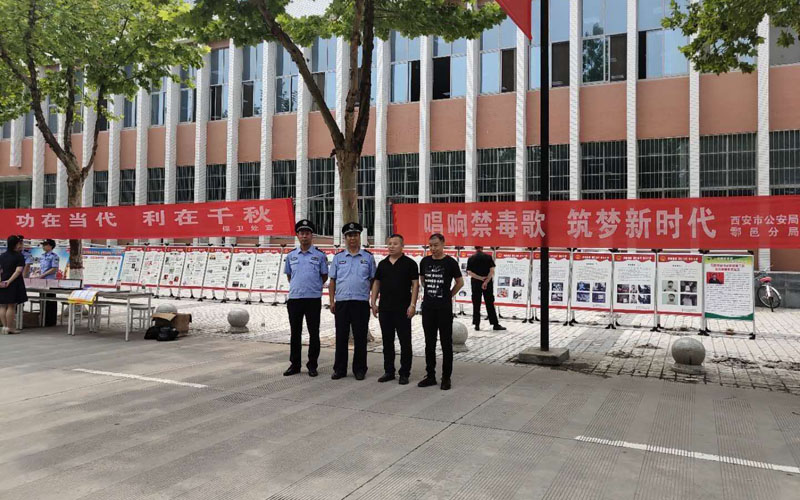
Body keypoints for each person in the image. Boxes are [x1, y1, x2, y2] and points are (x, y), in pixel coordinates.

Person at [329, 222, 376, 380]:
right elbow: (332, 281)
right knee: (341, 336)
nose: (352, 238)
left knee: (360, 337)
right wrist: (332, 301)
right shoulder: (338, 258)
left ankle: (360, 369)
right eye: (349, 235)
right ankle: (340, 369)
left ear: (359, 236)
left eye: (355, 235)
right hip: (342, 302)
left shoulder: (368, 257)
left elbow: (373, 280)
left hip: (360, 303)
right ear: (345, 238)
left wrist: (369, 298)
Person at [370, 234, 419, 385]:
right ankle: (389, 371)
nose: (391, 246)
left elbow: (415, 284)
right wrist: (373, 302)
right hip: (385, 309)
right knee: (387, 341)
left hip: (403, 309)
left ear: (402, 246)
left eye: (395, 244)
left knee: (405, 342)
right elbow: (377, 283)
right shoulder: (383, 264)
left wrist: (412, 305)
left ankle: (404, 372)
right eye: (389, 243)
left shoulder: (410, 263)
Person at [283, 219, 329, 377]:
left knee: (314, 333)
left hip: (313, 299)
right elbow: (290, 276)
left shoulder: (320, 256)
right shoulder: (291, 256)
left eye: (307, 233)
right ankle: (295, 364)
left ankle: (312, 365)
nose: (304, 236)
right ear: (297, 235)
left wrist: (313, 286)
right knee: (295, 333)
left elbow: (324, 276)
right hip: (295, 299)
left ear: (311, 235)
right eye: (301, 233)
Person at [418, 233, 464, 390]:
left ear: (443, 244)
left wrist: (449, 294)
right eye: (430, 246)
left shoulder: (450, 262)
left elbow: (460, 282)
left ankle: (446, 377)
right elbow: (422, 280)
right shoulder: (425, 261)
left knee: (446, 343)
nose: (433, 248)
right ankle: (430, 375)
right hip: (428, 307)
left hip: (444, 308)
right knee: (429, 343)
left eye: (436, 245)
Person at [466, 246, 505, 331]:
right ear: (482, 248)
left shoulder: (471, 258)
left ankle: (477, 324)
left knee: (476, 303)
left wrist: (480, 278)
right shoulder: (488, 257)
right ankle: (495, 324)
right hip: (488, 283)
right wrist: (486, 281)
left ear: (475, 248)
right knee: (489, 303)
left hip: (475, 283)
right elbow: (492, 271)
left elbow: (469, 272)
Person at [0, 235, 29, 334]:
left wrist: (1, 281)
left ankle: (4, 327)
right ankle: (10, 327)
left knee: (2, 306)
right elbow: (18, 271)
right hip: (13, 283)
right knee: (11, 306)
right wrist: (9, 281)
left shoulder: (2, 256)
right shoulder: (19, 256)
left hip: (2, 282)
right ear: (16, 244)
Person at [35, 239, 59, 326]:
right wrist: (38, 273)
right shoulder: (42, 256)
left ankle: (50, 321)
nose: (43, 246)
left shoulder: (54, 256)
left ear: (50, 246)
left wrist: (43, 275)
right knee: (42, 299)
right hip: (42, 281)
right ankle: (43, 319)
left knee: (50, 300)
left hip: (50, 281)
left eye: (45, 245)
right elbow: (42, 268)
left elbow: (54, 269)